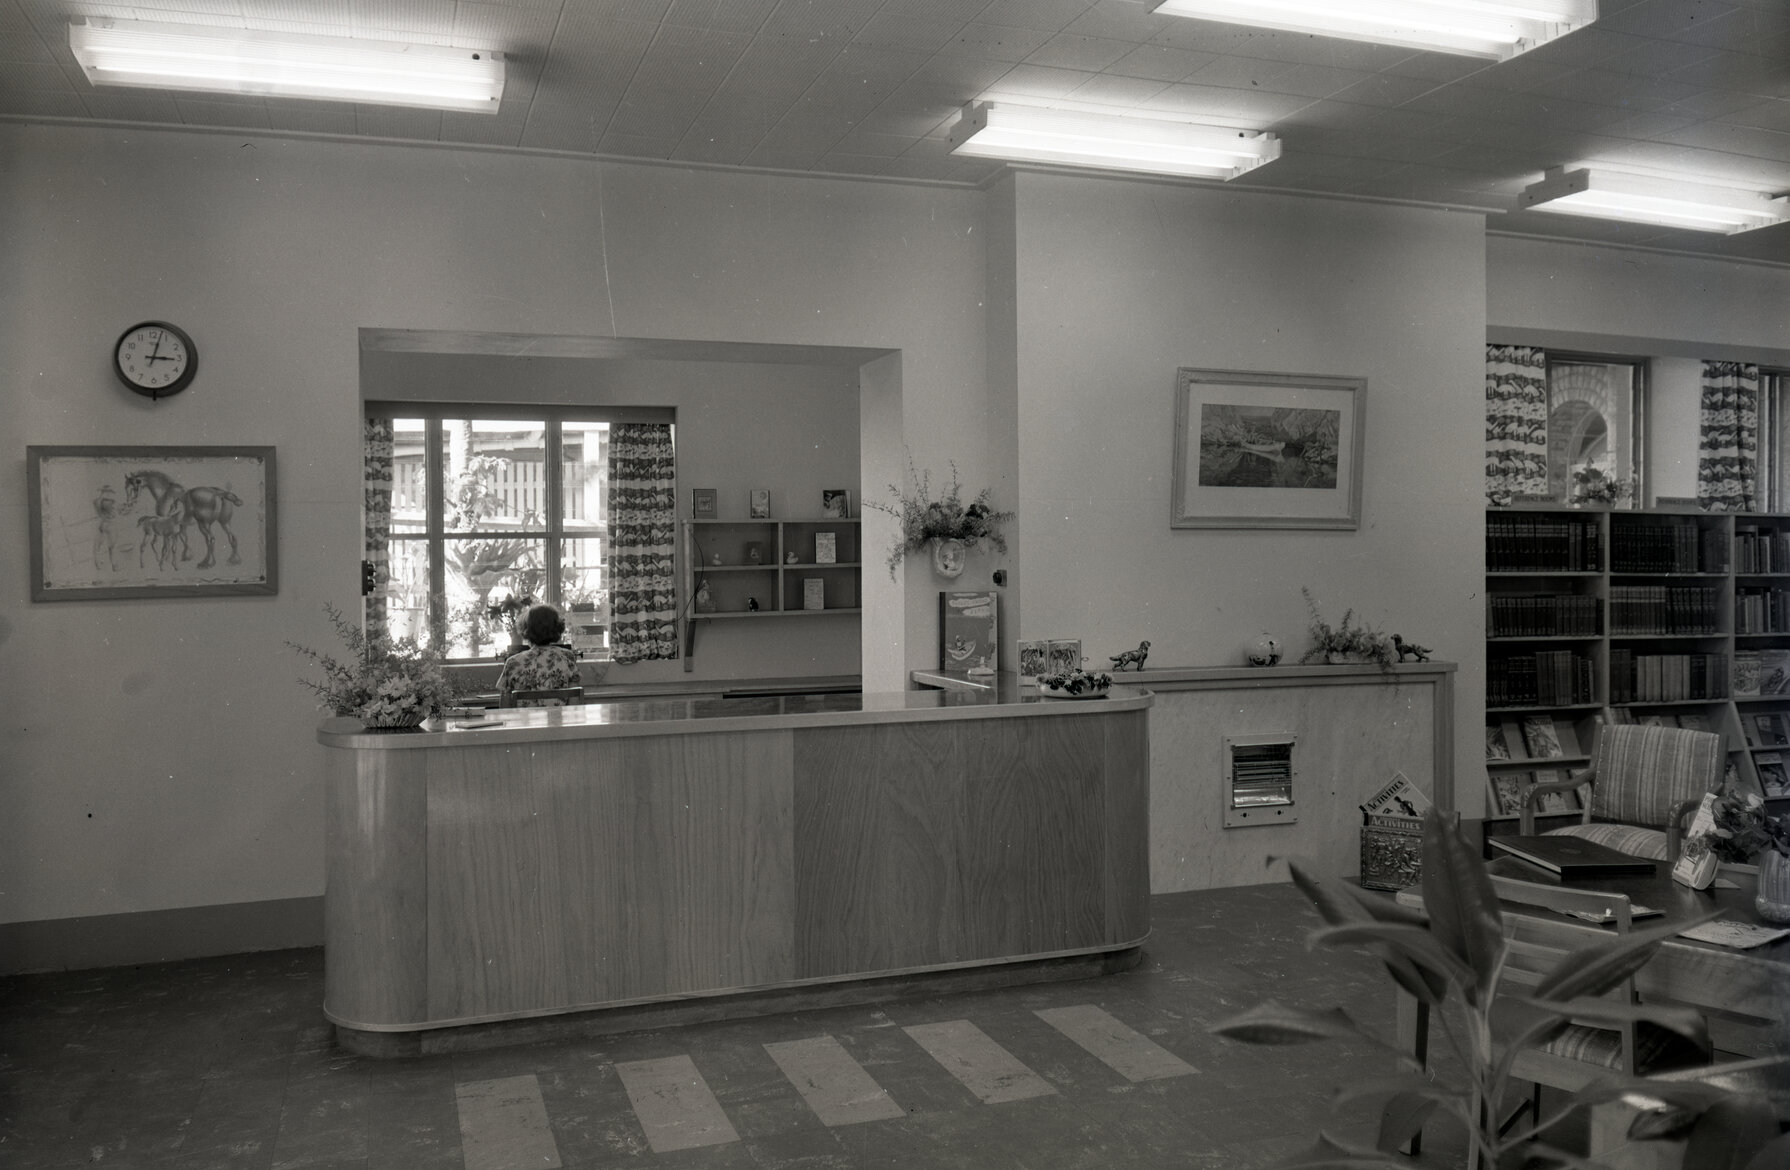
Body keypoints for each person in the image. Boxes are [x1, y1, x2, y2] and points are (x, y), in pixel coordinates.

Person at [496, 604, 580, 702]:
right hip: (559, 716)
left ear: (525, 629)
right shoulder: (567, 657)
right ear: (557, 628)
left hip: (523, 717)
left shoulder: (512, 662)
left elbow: (505, 707)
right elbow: (574, 702)